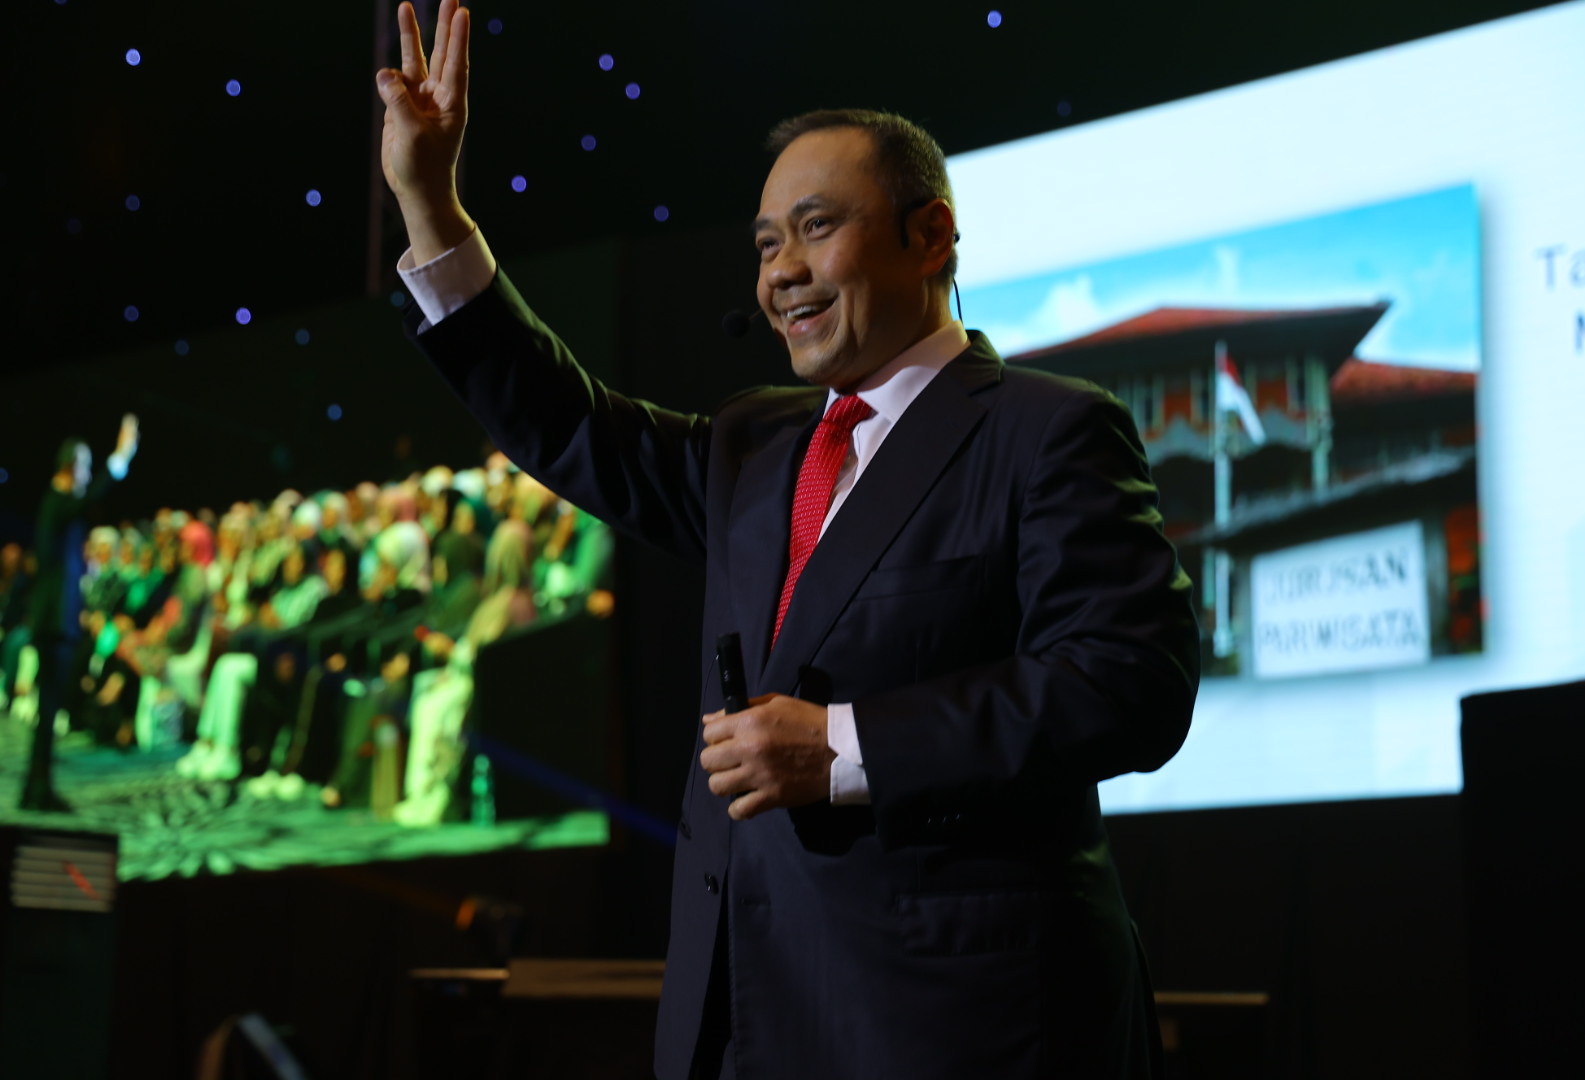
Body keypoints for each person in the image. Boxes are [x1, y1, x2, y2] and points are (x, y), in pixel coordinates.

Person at [375, 3, 1200, 1077]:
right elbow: (566, 424)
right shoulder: (752, 444)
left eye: (816, 228)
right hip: (744, 1023)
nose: (780, 272)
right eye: (767, 244)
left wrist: (846, 747)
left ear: (930, 236)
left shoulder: (1048, 430)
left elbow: (1128, 685)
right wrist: (430, 206)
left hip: (956, 1028)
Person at [21, 414, 140, 811]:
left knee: (48, 707)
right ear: (72, 466)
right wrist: (120, 458)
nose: (89, 476)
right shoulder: (59, 502)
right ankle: (38, 789)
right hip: (55, 620)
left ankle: (37, 786)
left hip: (56, 619)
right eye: (87, 466)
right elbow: (88, 500)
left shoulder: (56, 506)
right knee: (48, 707)